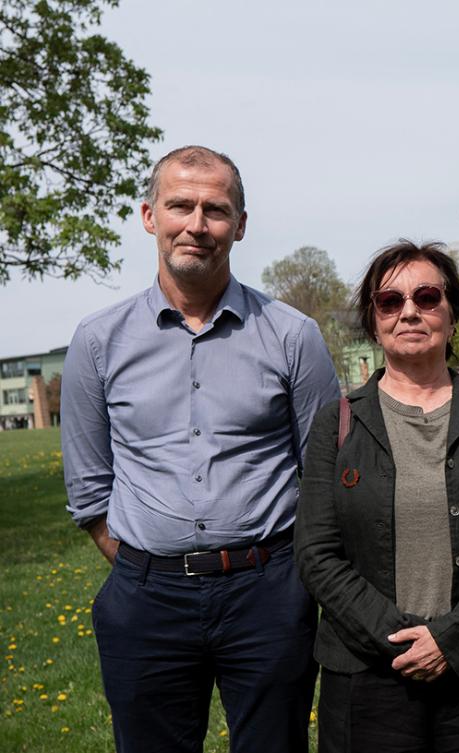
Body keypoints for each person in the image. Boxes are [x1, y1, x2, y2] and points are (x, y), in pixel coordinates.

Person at [61, 146, 341, 753]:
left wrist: (288, 579)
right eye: (180, 205)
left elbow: (326, 471)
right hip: (144, 599)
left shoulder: (293, 336)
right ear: (148, 216)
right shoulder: (97, 341)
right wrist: (149, 562)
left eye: (215, 210)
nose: (196, 224)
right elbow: (87, 486)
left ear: (240, 225)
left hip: (268, 593)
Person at [295, 240, 459, 753]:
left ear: (452, 317)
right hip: (369, 676)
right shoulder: (336, 423)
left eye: (427, 297)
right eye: (390, 301)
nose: (409, 310)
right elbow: (317, 553)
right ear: (374, 320)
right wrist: (400, 640)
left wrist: (453, 640)